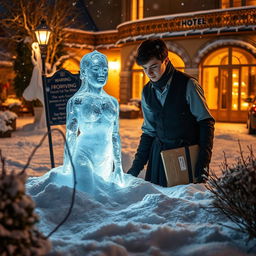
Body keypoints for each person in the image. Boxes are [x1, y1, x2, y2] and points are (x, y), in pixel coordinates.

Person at [127, 39, 215, 186]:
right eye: (145, 68)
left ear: (166, 60)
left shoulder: (188, 85)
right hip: (158, 160)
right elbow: (149, 132)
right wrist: (135, 168)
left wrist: (203, 164)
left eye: (154, 66)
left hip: (184, 157)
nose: (149, 73)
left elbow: (206, 123)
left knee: (181, 205)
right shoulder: (147, 91)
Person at [63, 50, 123, 190]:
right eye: (96, 69)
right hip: (83, 155)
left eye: (105, 69)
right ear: (84, 72)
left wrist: (118, 166)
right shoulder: (77, 101)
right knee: (87, 191)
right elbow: (70, 135)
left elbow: (115, 135)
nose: (101, 73)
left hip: (105, 158)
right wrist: (67, 166)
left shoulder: (113, 102)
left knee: (101, 197)